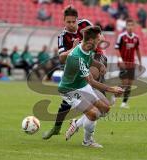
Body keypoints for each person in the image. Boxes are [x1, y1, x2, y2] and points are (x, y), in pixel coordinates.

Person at [42, 6, 107, 140]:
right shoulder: (63, 36)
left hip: (95, 58)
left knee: (98, 101)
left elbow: (100, 37)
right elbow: (61, 57)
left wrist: (96, 42)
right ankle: (61, 127)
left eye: (73, 21)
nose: (71, 25)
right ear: (63, 21)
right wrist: (73, 48)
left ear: (77, 20)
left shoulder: (86, 24)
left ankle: (74, 124)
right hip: (74, 67)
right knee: (69, 99)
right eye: (68, 22)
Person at [59, 26, 123, 147]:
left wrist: (98, 64)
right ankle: (87, 142)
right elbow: (92, 82)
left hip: (82, 86)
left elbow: (89, 59)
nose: (99, 43)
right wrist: (112, 89)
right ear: (91, 41)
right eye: (98, 41)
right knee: (93, 114)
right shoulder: (77, 57)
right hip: (69, 90)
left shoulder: (86, 47)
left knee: (105, 109)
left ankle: (76, 123)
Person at [115, 19, 142, 108]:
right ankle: (114, 97)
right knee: (124, 83)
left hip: (132, 63)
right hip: (123, 63)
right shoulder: (121, 36)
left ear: (134, 27)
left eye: (132, 25)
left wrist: (140, 62)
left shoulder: (136, 38)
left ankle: (124, 103)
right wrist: (120, 59)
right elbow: (117, 48)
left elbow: (137, 50)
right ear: (126, 26)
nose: (130, 27)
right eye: (128, 25)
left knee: (129, 84)